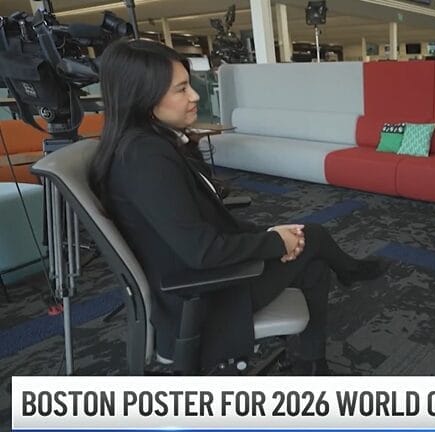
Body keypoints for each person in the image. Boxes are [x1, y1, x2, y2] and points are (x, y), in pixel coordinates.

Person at [90, 39, 386, 375]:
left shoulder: (146, 146)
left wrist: (272, 236)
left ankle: (312, 364)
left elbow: (205, 224)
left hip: (197, 281)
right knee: (313, 237)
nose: (195, 97)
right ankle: (347, 273)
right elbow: (201, 251)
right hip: (203, 295)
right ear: (143, 98)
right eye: (181, 89)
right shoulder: (146, 158)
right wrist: (276, 242)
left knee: (313, 262)